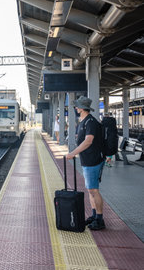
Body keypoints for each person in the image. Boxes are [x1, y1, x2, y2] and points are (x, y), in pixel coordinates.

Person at [66, 96, 106, 230]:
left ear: (82, 108)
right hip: (87, 160)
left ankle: (100, 220)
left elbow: (88, 141)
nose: (75, 108)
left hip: (93, 160)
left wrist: (73, 153)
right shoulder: (83, 121)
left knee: (94, 190)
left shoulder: (91, 122)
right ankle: (94, 216)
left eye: (77, 106)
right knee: (90, 190)